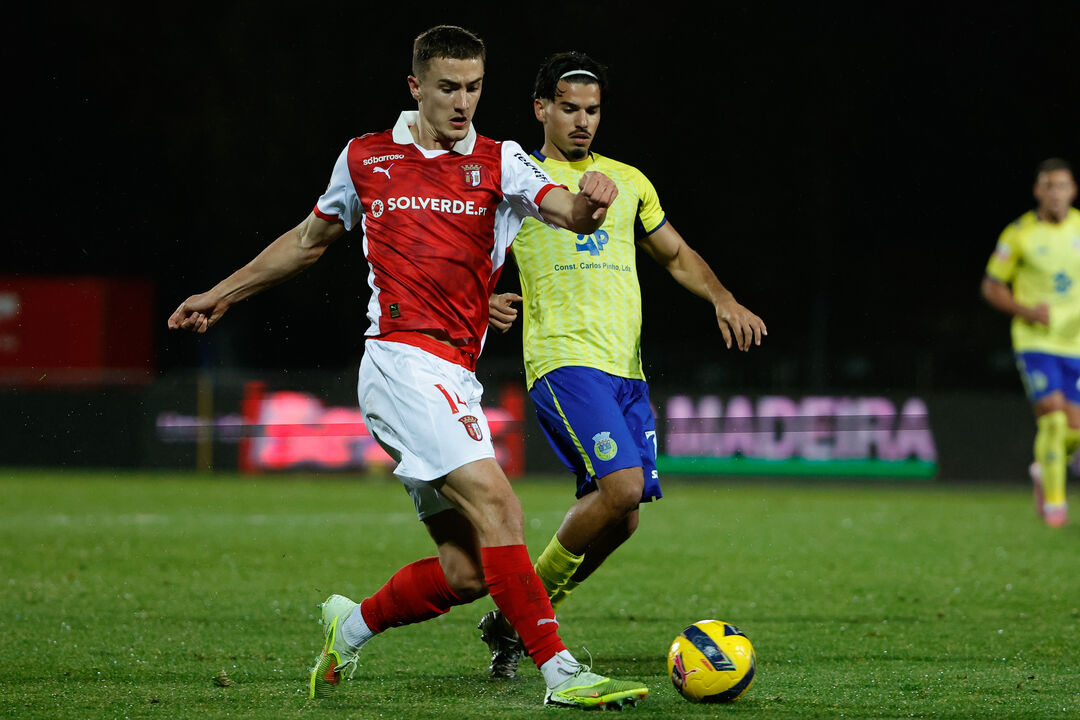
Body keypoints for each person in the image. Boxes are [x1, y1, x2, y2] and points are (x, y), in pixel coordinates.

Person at [167, 26, 648, 710]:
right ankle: (561, 672)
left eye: (474, 88)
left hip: (454, 374)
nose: (462, 102)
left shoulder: (500, 160)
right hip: (399, 361)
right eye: (448, 88)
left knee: (467, 571)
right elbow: (308, 243)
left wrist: (593, 200)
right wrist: (221, 293)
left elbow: (568, 212)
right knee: (501, 506)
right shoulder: (367, 158)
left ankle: (351, 623)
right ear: (415, 86)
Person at [477, 51, 767, 678]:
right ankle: (527, 618)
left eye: (593, 110)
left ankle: (510, 620)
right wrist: (483, 298)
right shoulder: (519, 179)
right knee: (622, 488)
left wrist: (722, 296)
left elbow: (675, 253)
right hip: (562, 364)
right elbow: (469, 252)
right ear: (541, 109)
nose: (583, 121)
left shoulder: (629, 181)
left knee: (624, 518)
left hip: (625, 372)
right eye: (569, 109)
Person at [982, 157, 1080, 528]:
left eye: (1063, 186)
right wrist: (1025, 311)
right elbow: (991, 286)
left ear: (1073, 190)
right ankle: (1056, 507)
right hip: (1035, 342)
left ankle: (1044, 471)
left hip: (1076, 343)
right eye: (1049, 186)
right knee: (1053, 422)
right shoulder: (1018, 234)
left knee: (1073, 432)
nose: (1056, 194)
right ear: (1038, 191)